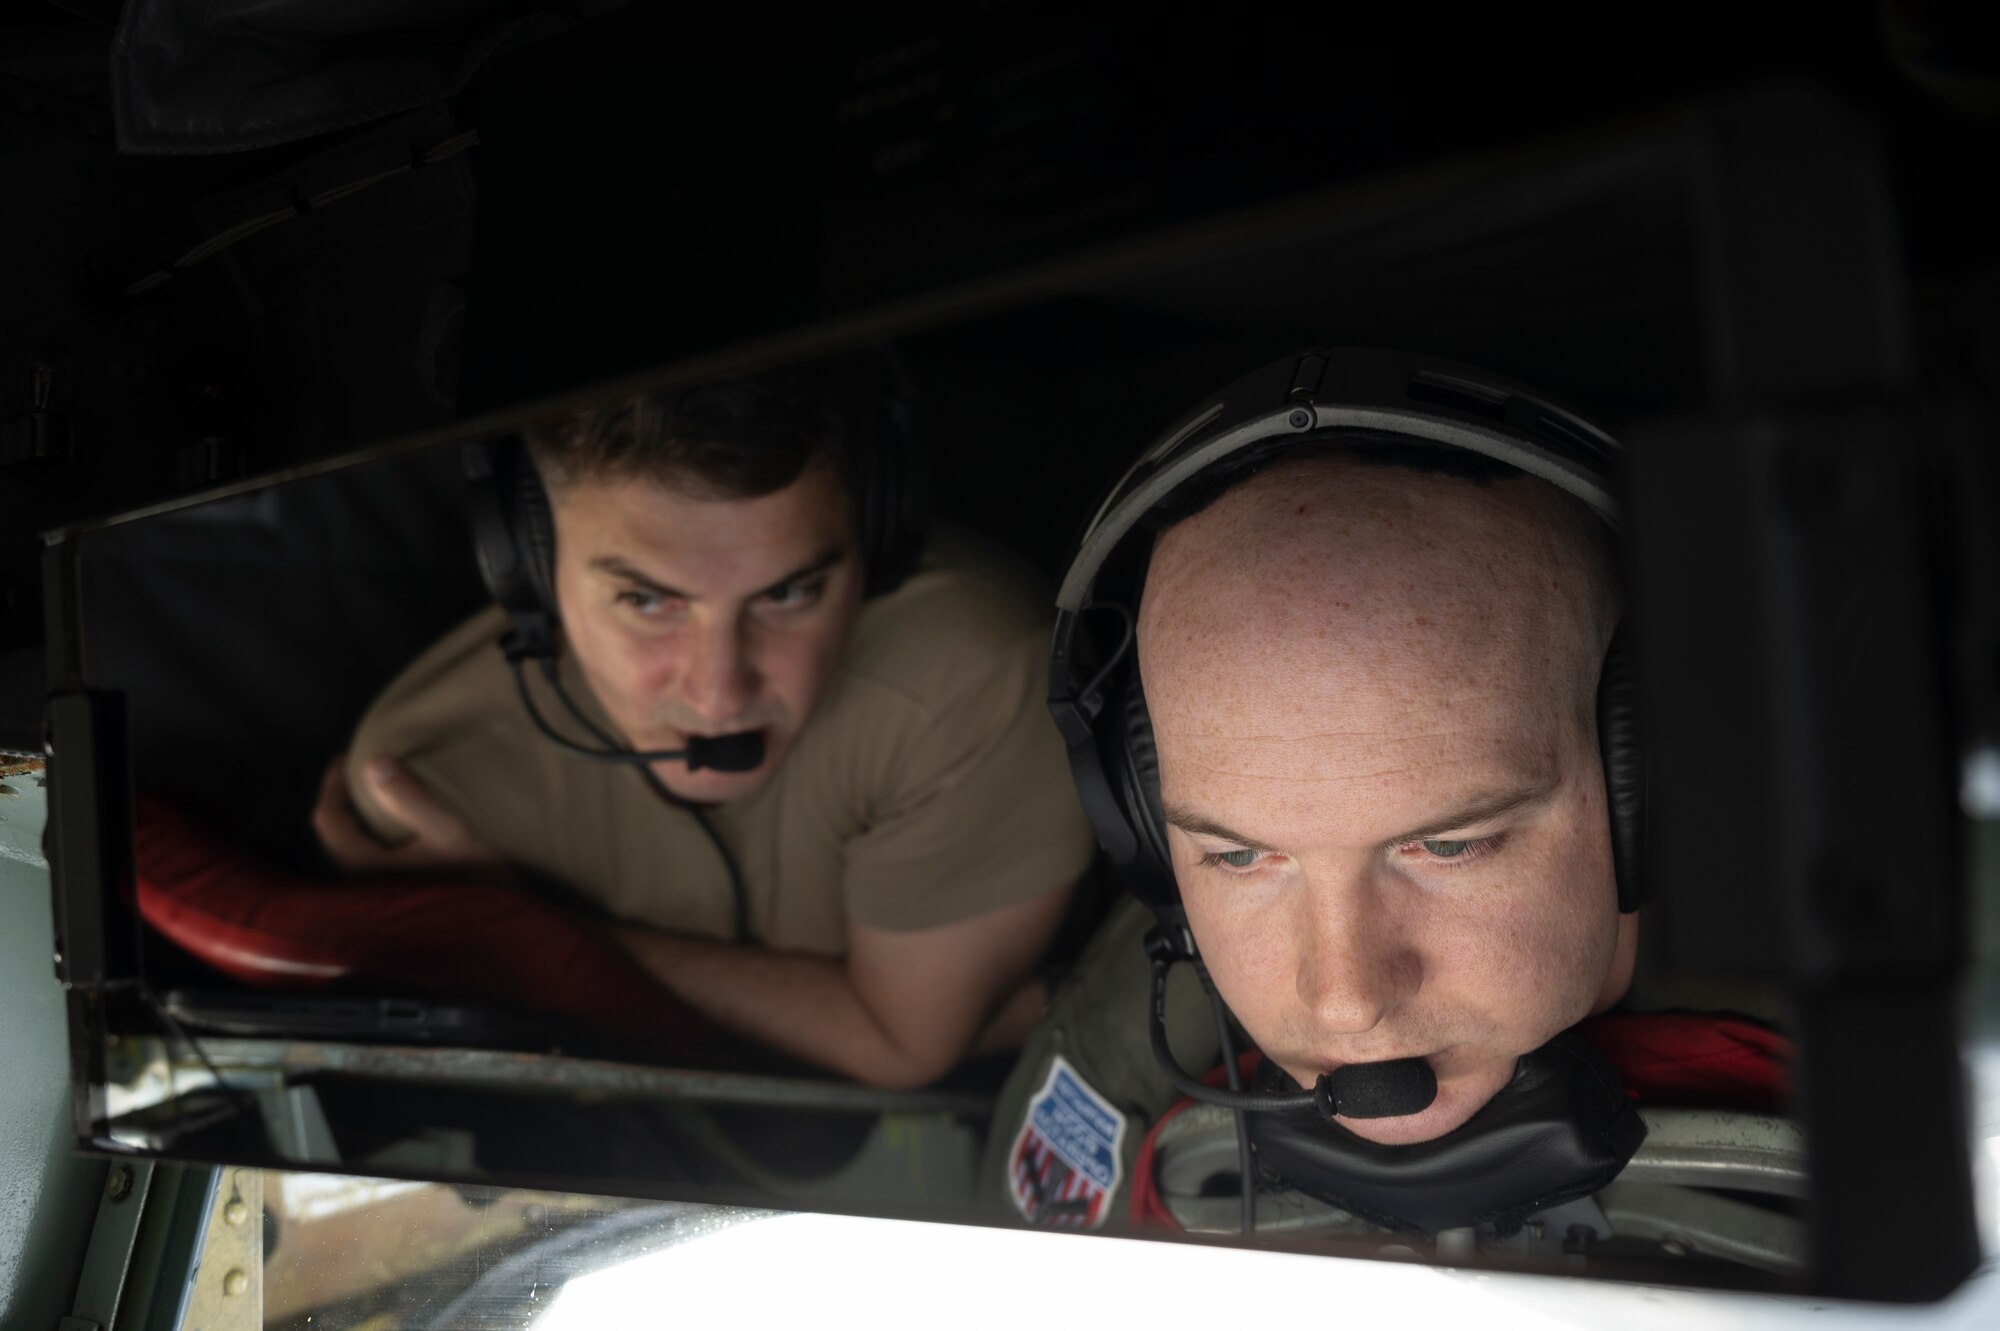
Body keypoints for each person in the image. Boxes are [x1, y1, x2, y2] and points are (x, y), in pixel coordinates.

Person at [985, 349, 1787, 1233]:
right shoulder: (1130, 1043)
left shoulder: (1908, 1043)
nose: (1346, 999)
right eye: (1240, 855)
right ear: (1136, 810)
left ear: (1649, 778)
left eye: (1448, 843)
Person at [310, 370, 1097, 1089]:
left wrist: (522, 926)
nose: (721, 693)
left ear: (875, 539)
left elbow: (901, 1043)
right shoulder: (433, 778)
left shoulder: (976, 681)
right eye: (648, 602)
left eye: (789, 592)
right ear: (526, 566)